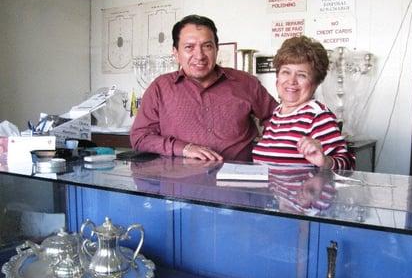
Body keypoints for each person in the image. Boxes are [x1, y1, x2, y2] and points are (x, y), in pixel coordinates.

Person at [130, 15, 277, 161]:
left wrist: (269, 149)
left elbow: (277, 117)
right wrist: (184, 148)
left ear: (216, 49)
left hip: (236, 180)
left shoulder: (245, 83)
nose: (199, 56)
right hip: (180, 181)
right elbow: (140, 138)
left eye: (207, 46)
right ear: (175, 52)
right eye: (189, 47)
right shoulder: (159, 88)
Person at [252, 36, 355, 170]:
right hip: (269, 191)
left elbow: (347, 164)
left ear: (315, 83)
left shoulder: (318, 115)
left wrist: (324, 161)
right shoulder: (278, 114)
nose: (291, 81)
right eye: (285, 72)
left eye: (301, 75)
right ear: (277, 78)